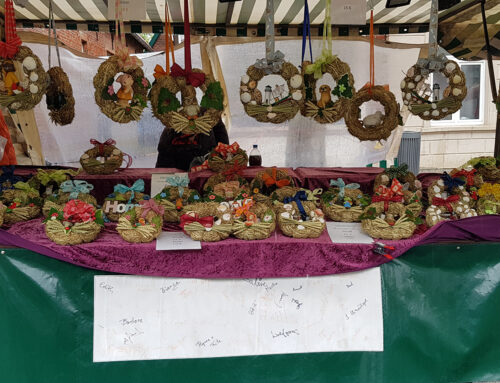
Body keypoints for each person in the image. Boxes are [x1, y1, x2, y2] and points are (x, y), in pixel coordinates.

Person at [156, 119, 229, 170]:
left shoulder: (208, 119)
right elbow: (162, 171)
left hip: (209, 176)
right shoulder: (169, 136)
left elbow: (224, 147)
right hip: (179, 180)